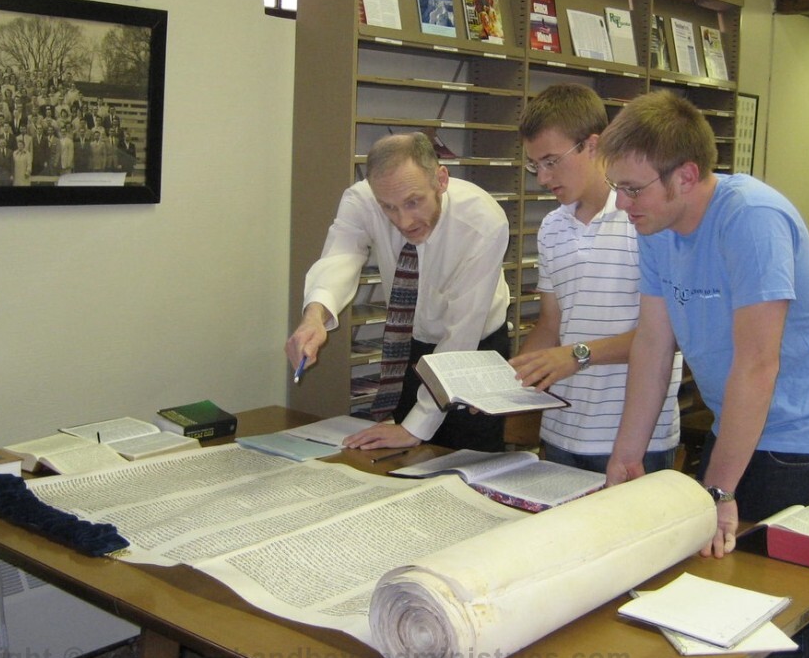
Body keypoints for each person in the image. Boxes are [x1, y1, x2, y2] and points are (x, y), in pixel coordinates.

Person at [598, 90, 809, 658]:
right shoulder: (656, 224)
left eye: (633, 189)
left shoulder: (752, 219)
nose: (621, 204)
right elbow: (651, 344)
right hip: (743, 430)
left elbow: (757, 364)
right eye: (617, 187)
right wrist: (626, 458)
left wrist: (718, 491)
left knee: (784, 641)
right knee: (722, 606)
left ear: (686, 176)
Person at [285, 132, 510, 451]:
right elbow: (340, 257)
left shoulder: (482, 222)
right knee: (405, 458)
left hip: (476, 347)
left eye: (413, 202)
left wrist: (414, 427)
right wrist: (314, 318)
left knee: (467, 458)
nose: (404, 220)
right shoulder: (361, 199)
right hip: (415, 341)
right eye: (388, 207)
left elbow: (461, 335)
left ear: (441, 180)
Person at [510, 84, 680, 474]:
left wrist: (577, 355)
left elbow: (666, 337)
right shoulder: (551, 227)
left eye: (551, 161)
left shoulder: (646, 219)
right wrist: (509, 376)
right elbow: (552, 324)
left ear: (593, 145)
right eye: (534, 165)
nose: (542, 177)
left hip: (636, 438)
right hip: (560, 432)